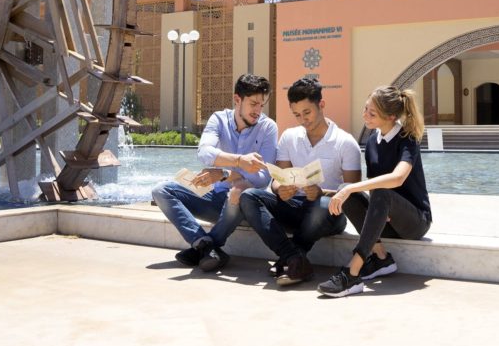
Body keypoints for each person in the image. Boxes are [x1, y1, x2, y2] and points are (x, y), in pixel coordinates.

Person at [239, 77, 361, 287]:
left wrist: (322, 192)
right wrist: (280, 189)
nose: (303, 119)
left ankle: (290, 258)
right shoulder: (289, 137)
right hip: (295, 207)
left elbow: (353, 194)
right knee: (249, 197)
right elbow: (277, 179)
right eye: (297, 115)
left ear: (321, 105)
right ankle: (293, 258)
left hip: (329, 212)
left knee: (321, 205)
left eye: (307, 112)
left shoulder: (346, 143)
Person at [151, 74, 277, 272]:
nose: (258, 111)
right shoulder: (219, 119)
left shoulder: (268, 128)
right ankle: (205, 245)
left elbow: (263, 179)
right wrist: (239, 161)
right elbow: (204, 152)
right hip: (216, 198)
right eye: (253, 104)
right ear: (237, 99)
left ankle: (203, 247)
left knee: (240, 190)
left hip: (244, 205)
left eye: (262, 105)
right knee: (161, 190)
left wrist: (225, 173)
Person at [317, 86, 432, 298]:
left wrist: (353, 187)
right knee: (345, 190)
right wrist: (336, 191)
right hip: (385, 221)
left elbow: (398, 177)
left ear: (391, 117)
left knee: (375, 191)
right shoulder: (371, 142)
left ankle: (352, 273)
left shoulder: (407, 139)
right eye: (365, 109)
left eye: (372, 113)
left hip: (413, 222)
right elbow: (371, 186)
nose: (365, 116)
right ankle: (381, 258)